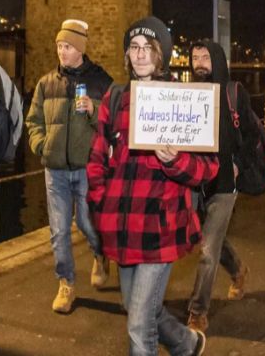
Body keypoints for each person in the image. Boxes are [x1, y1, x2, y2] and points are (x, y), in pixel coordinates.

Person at [88, 17, 217, 356]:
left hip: (160, 226)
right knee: (138, 309)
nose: (140, 55)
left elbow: (207, 169)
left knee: (138, 325)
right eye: (134, 47)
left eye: (148, 48)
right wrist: (101, 205)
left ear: (162, 55)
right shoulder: (115, 98)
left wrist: (175, 161)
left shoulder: (184, 101)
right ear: (127, 54)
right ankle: (187, 343)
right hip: (121, 224)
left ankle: (181, 343)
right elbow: (97, 159)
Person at [26, 19, 113, 313]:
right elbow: (33, 121)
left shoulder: (101, 80)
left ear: (80, 49)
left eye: (67, 47)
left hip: (87, 167)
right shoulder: (46, 83)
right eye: (59, 46)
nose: (62, 52)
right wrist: (41, 145)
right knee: (59, 230)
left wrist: (95, 110)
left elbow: (115, 121)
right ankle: (66, 283)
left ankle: (100, 254)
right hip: (55, 170)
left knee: (87, 223)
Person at [185, 40, 254, 333]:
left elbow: (250, 135)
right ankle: (238, 269)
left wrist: (238, 161)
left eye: (205, 57)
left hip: (224, 183)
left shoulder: (234, 93)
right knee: (209, 239)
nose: (199, 63)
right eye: (194, 57)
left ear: (217, 60)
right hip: (194, 182)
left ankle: (197, 312)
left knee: (207, 250)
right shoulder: (185, 94)